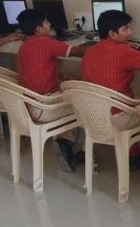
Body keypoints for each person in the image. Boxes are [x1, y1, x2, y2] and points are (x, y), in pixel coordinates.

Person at [81, 10, 140, 170]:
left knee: (130, 100)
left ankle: (134, 153)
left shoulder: (90, 51)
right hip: (118, 118)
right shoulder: (123, 52)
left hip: (92, 116)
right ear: (112, 33)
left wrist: (125, 47)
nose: (130, 33)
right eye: (125, 29)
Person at [16, 9, 87, 171]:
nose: (50, 25)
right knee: (85, 101)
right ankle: (81, 149)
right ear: (38, 29)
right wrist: (104, 48)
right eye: (47, 22)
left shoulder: (24, 46)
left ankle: (65, 144)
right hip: (44, 107)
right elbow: (76, 51)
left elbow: (36, 71)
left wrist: (58, 77)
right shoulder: (46, 43)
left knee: (70, 86)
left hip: (26, 105)